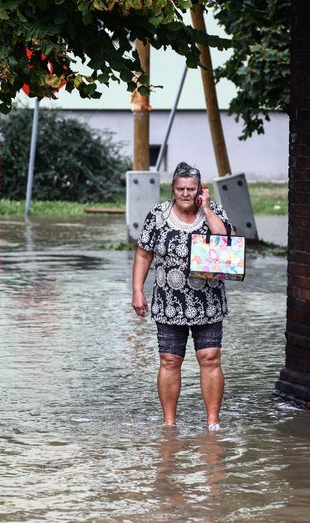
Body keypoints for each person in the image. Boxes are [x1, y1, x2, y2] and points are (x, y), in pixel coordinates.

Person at [132, 161, 231, 430]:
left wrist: (207, 209)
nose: (186, 193)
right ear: (173, 189)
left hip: (208, 302)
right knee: (169, 360)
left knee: (210, 357)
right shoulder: (157, 216)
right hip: (168, 303)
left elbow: (226, 240)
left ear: (200, 189)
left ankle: (213, 423)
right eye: (180, 189)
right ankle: (169, 424)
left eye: (191, 189)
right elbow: (143, 253)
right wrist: (138, 291)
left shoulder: (213, 212)